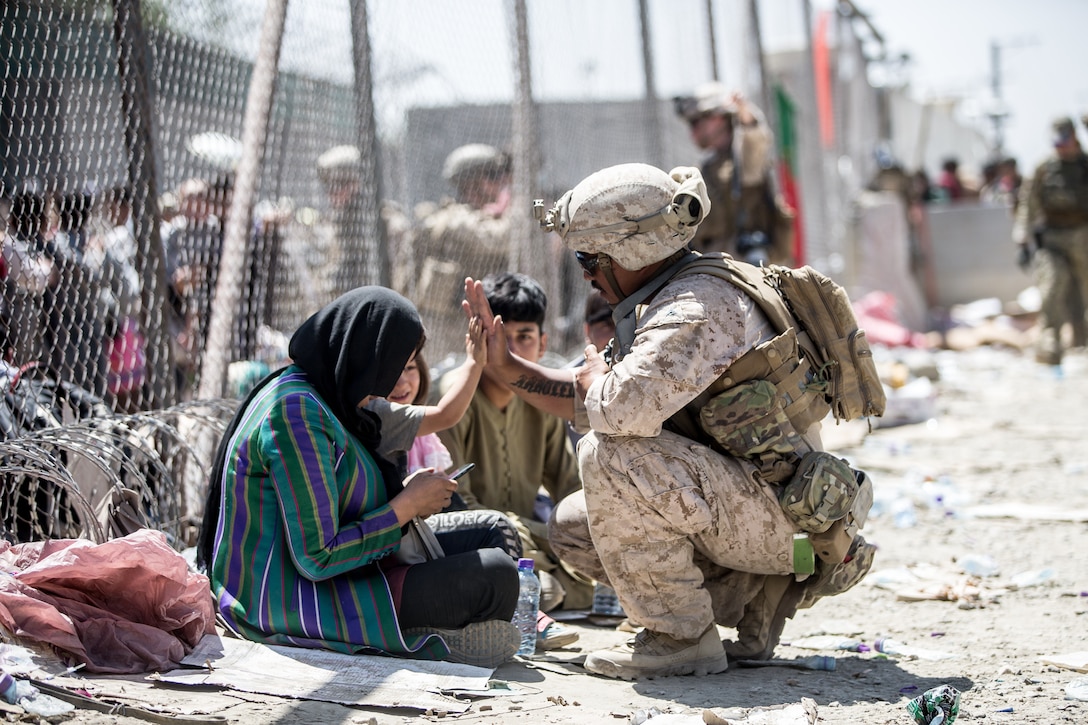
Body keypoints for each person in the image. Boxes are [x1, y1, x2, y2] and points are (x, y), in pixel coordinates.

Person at [468, 163, 875, 680]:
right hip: (756, 503)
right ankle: (750, 596)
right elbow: (590, 400)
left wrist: (597, 380)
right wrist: (506, 367)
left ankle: (680, 635)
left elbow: (615, 411)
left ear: (630, 252)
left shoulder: (696, 306)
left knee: (609, 453)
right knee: (574, 527)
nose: (588, 274)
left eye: (590, 258)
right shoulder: (669, 295)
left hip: (787, 520)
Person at [197, 286, 520, 668]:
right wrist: (406, 506)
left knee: (494, 532)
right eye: (391, 365)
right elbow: (317, 558)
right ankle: (416, 634)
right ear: (365, 355)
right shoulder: (296, 414)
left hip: (360, 563)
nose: (394, 385)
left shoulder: (343, 400)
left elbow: (443, 414)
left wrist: (476, 360)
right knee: (495, 575)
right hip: (295, 596)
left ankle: (442, 628)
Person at [437, 272, 591, 622]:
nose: (512, 350)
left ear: (542, 344)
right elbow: (457, 507)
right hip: (475, 546)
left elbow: (570, 489)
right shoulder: (454, 395)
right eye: (501, 338)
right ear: (480, 339)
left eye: (524, 337)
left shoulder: (542, 400)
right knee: (538, 583)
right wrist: (540, 537)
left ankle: (544, 586)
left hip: (531, 547)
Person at [411, 144, 513, 364]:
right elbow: (500, 240)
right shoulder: (459, 219)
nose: (500, 184)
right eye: (492, 176)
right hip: (454, 323)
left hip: (471, 318)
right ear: (472, 182)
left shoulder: (462, 216)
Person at [672, 82, 794, 266]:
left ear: (719, 118)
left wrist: (743, 110)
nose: (693, 131)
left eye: (696, 121)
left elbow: (755, 137)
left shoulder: (745, 160)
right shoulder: (705, 167)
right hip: (713, 267)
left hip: (748, 267)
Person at [1012, 116, 1088, 365]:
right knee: (1052, 288)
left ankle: (1082, 339)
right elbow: (1028, 202)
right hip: (1054, 237)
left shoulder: (1084, 164)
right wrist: (1022, 237)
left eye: (1064, 141)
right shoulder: (1044, 168)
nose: (1060, 147)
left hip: (1083, 235)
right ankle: (1050, 346)